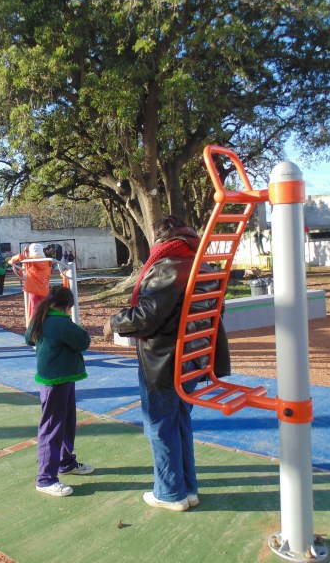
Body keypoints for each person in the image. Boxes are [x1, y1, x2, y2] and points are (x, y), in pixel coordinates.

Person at [106, 214, 231, 512]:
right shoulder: (203, 265)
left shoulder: (168, 266)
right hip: (194, 358)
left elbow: (147, 316)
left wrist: (114, 322)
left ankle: (170, 493)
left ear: (160, 238)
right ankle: (188, 489)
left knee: (160, 425)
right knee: (180, 421)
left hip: (165, 361)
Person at [25, 286, 93, 497]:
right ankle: (45, 478)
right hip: (57, 380)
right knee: (52, 426)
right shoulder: (62, 323)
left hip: (56, 378)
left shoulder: (40, 317)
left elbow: (29, 338)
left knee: (65, 421)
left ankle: (65, 461)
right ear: (67, 306)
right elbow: (83, 342)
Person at [10, 243, 51, 321]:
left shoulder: (30, 261)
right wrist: (26, 252)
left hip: (33, 289)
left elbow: (19, 257)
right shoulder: (46, 261)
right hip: (44, 289)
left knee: (34, 309)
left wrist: (11, 260)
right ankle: (45, 323)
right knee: (44, 309)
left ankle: (33, 325)